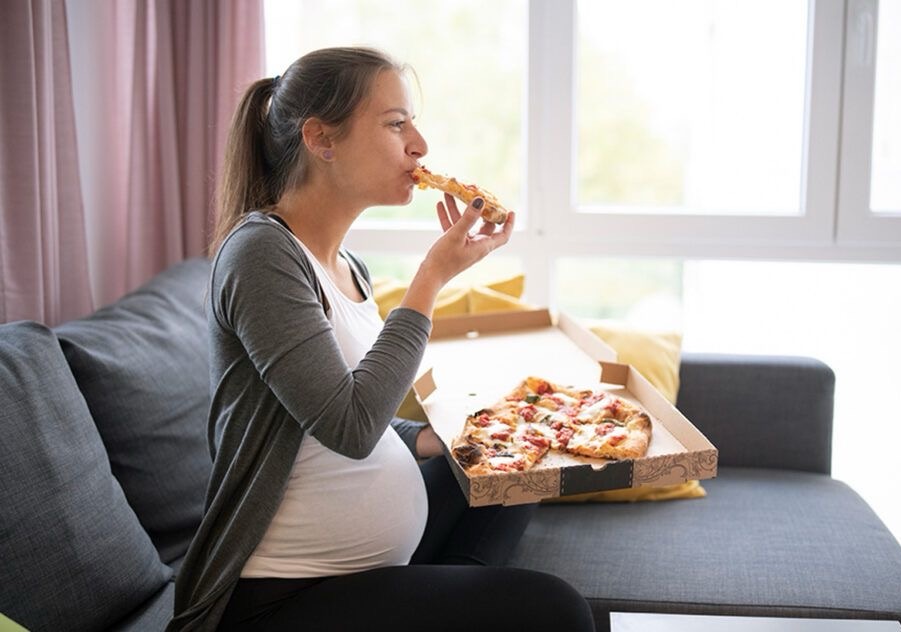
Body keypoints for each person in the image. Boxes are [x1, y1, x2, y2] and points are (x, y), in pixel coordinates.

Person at [168, 47, 595, 632]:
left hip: (369, 569)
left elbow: (318, 410)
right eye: (396, 124)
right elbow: (349, 427)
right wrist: (431, 279)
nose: (418, 144)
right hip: (285, 596)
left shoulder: (347, 264)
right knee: (561, 610)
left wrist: (427, 438)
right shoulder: (261, 254)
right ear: (321, 138)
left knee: (511, 466)